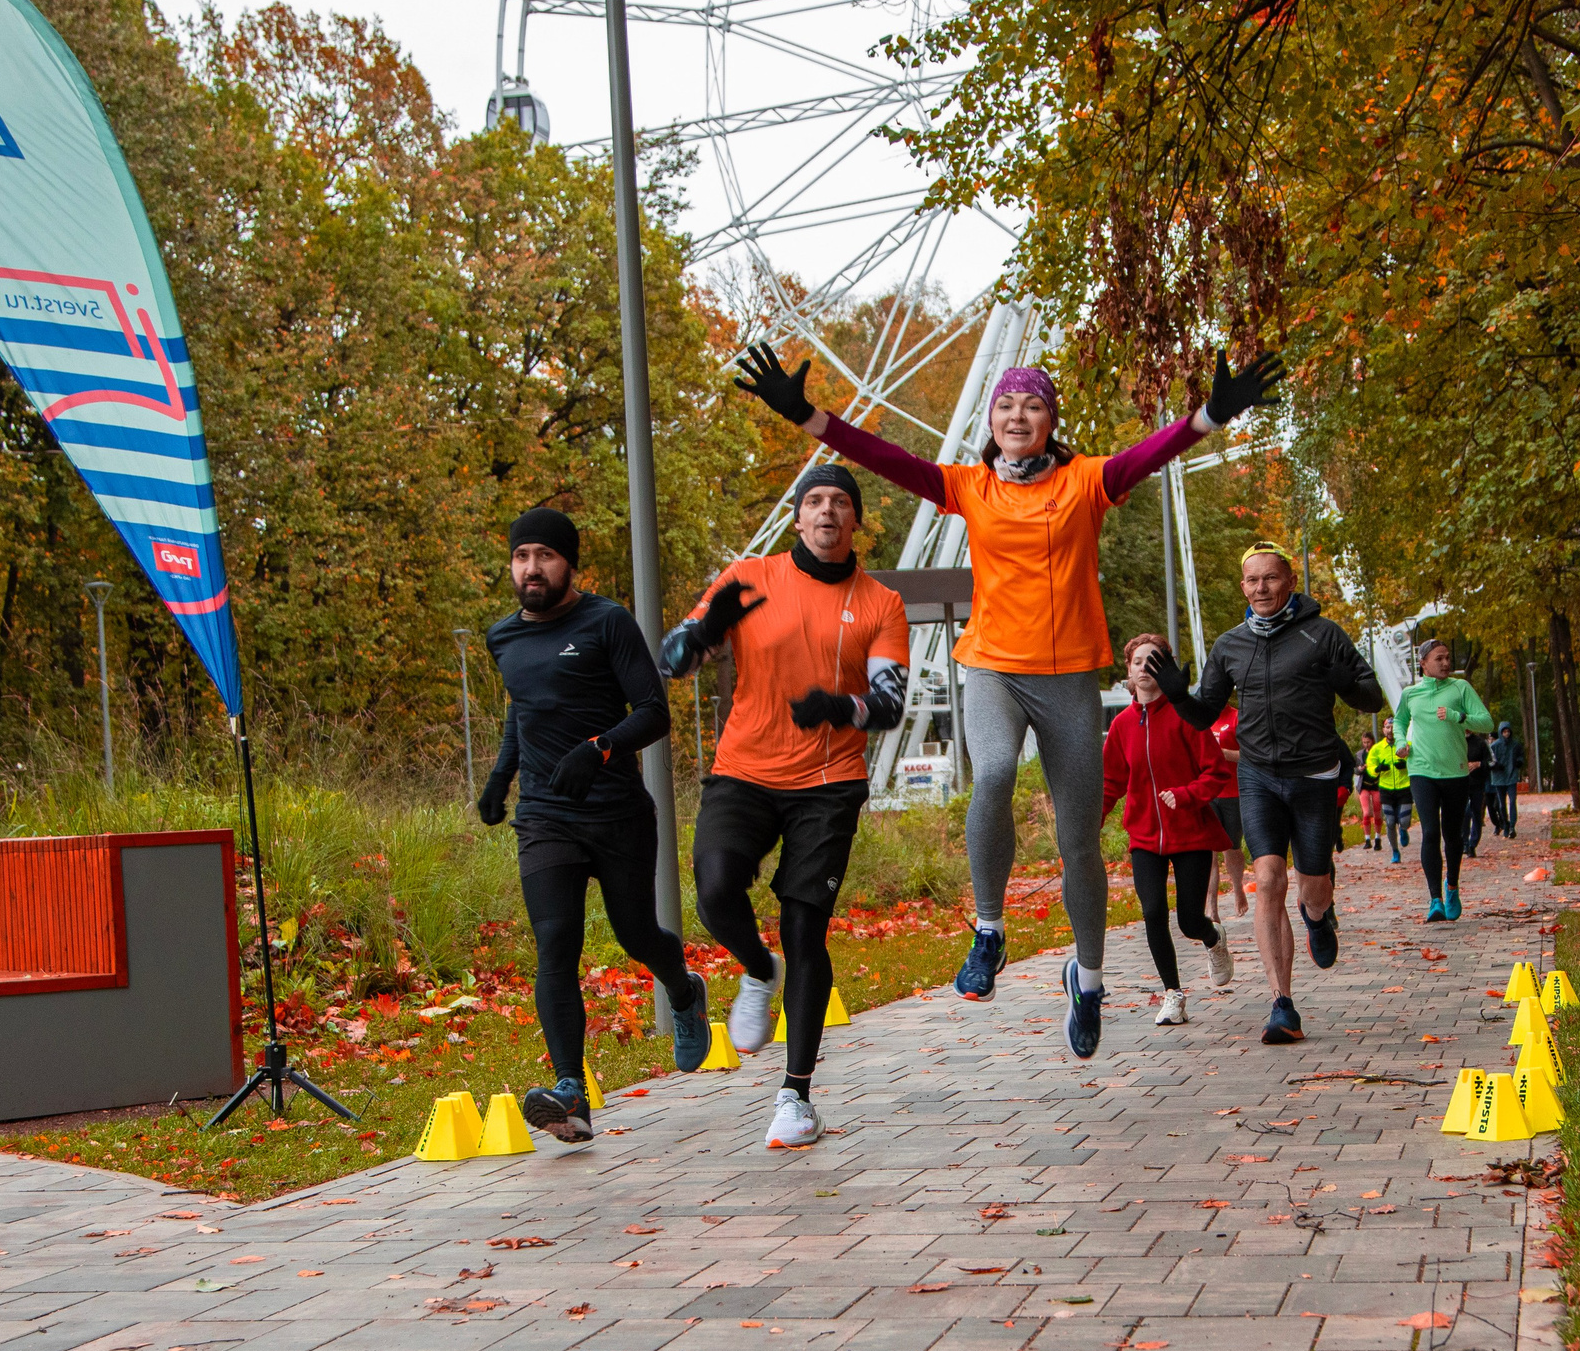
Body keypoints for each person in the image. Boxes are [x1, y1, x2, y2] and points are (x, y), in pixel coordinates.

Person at [734, 343, 1284, 1060]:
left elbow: (1154, 451)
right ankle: (988, 930)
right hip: (992, 665)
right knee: (992, 772)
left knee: (1078, 841)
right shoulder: (969, 486)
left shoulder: (1087, 481)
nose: (1017, 414)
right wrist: (806, 415)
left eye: (1032, 404)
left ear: (1051, 420)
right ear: (990, 421)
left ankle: (1087, 980)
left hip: (1067, 678)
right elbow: (882, 457)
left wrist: (1213, 413)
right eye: (1005, 405)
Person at [658, 465, 909, 1151]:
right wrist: (707, 626)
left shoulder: (881, 602)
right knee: (713, 887)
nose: (828, 511)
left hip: (829, 782)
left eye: (841, 502)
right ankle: (755, 967)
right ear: (798, 518)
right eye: (815, 500)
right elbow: (673, 661)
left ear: (856, 521)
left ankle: (795, 1095)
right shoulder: (749, 577)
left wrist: (839, 706)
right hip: (744, 769)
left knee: (806, 927)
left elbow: (890, 704)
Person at [476, 507, 713, 1145]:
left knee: (635, 932)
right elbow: (522, 714)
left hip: (616, 813)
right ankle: (570, 1092)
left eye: (545, 556)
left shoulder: (606, 622)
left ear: (569, 564)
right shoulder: (504, 638)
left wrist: (600, 748)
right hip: (547, 817)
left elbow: (653, 712)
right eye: (522, 556)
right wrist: (502, 778)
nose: (532, 568)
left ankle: (684, 989)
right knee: (555, 945)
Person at [1144, 543, 1387, 1044]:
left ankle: (1318, 916)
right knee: (1270, 877)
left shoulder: (1323, 634)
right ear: (1243, 587)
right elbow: (1204, 715)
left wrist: (1345, 679)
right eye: (1252, 581)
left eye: (1270, 579)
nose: (1261, 589)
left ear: (1289, 580)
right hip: (1257, 776)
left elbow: (1371, 696)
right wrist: (1175, 693)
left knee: (1311, 888)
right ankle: (1282, 1005)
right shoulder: (1231, 644)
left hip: (1314, 776)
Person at [1102, 633, 1238, 1025]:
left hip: (1191, 832)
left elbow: (1216, 772)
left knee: (1188, 920)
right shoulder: (1122, 725)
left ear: (1168, 670)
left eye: (1155, 661)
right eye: (1138, 661)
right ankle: (1173, 995)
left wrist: (1187, 794)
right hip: (1144, 837)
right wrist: (1086, 829)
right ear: (1128, 671)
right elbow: (1111, 783)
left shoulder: (1186, 716)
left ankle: (1213, 939)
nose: (1145, 668)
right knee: (1152, 911)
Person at [1394, 638, 1493, 923]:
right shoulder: (1411, 694)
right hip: (1421, 770)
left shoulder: (1460, 688)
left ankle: (1452, 888)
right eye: (1439, 658)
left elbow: (1486, 722)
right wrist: (1401, 741)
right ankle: (1434, 899)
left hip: (1456, 772)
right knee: (1430, 832)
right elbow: (1399, 721)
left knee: (1453, 835)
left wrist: (1457, 716)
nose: (1446, 663)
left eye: (1447, 658)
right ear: (1423, 663)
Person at [1206, 703, 1248, 924]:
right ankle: (1211, 908)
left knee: (1232, 847)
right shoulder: (1201, 718)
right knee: (1210, 852)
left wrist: (1222, 754)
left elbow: (1248, 755)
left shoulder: (1236, 717)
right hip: (1208, 794)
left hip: (1233, 793)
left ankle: (1237, 886)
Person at [1365, 729, 1412, 862]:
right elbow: (1370, 765)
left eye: (1392, 727)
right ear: (1383, 730)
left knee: (1404, 820)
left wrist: (1406, 764)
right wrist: (1377, 769)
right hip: (1386, 788)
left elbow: (1417, 760)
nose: (1390, 730)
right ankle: (1395, 852)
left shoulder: (1406, 745)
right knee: (1390, 821)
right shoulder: (1377, 748)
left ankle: (1403, 829)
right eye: (1387, 727)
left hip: (1404, 786)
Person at [1487, 721, 1523, 839]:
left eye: (1508, 731)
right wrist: (1495, 766)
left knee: (1512, 801)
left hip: (1511, 776)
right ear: (1501, 732)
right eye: (1504, 732)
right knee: (1502, 804)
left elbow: (1520, 755)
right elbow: (1489, 761)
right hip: (1499, 778)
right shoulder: (1494, 746)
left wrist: (1519, 762)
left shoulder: (1515, 745)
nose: (1506, 734)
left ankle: (1512, 825)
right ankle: (1505, 824)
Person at [1463, 727, 1492, 856]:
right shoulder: (1455, 741)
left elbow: (1491, 762)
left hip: (1478, 784)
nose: (1466, 730)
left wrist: (1479, 764)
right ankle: (1464, 842)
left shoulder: (1480, 743)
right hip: (1461, 783)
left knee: (1476, 813)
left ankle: (1473, 844)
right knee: (1465, 812)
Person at [1354, 733, 1385, 853]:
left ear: (1372, 741)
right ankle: (1367, 839)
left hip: (1376, 785)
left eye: (1368, 742)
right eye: (1364, 742)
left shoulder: (1378, 751)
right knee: (1366, 812)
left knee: (1377, 812)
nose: (1366, 744)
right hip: (1364, 786)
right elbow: (1355, 769)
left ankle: (1377, 837)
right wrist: (1360, 769)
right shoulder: (1360, 754)